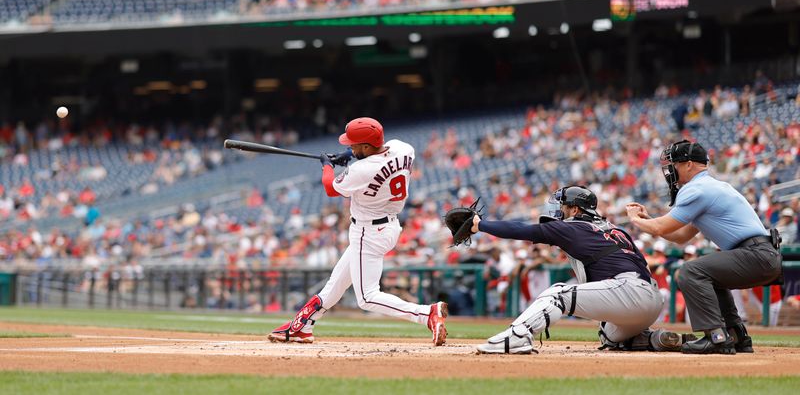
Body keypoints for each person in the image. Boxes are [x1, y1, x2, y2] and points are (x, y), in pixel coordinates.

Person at [268, 117, 448, 346]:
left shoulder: (361, 170)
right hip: (389, 226)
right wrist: (351, 155)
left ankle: (427, 314)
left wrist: (327, 165)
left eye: (354, 145)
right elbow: (377, 155)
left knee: (367, 297)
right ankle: (303, 325)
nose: (350, 147)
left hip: (369, 231)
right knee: (336, 284)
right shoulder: (404, 148)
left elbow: (330, 188)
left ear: (366, 147)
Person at [467, 185, 682, 354]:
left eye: (564, 205)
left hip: (630, 291)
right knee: (608, 334)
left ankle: (518, 337)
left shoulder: (572, 227)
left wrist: (479, 225)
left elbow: (522, 229)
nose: (560, 210)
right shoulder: (616, 229)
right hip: (650, 302)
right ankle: (652, 338)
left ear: (575, 209)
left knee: (557, 294)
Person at [626, 140, 783, 354]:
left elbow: (661, 228)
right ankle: (737, 335)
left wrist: (635, 220)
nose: (671, 170)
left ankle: (716, 337)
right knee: (709, 276)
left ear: (689, 164)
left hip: (755, 254)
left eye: (675, 164)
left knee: (690, 271)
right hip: (760, 254)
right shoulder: (711, 186)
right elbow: (681, 236)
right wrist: (649, 220)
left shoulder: (696, 189)